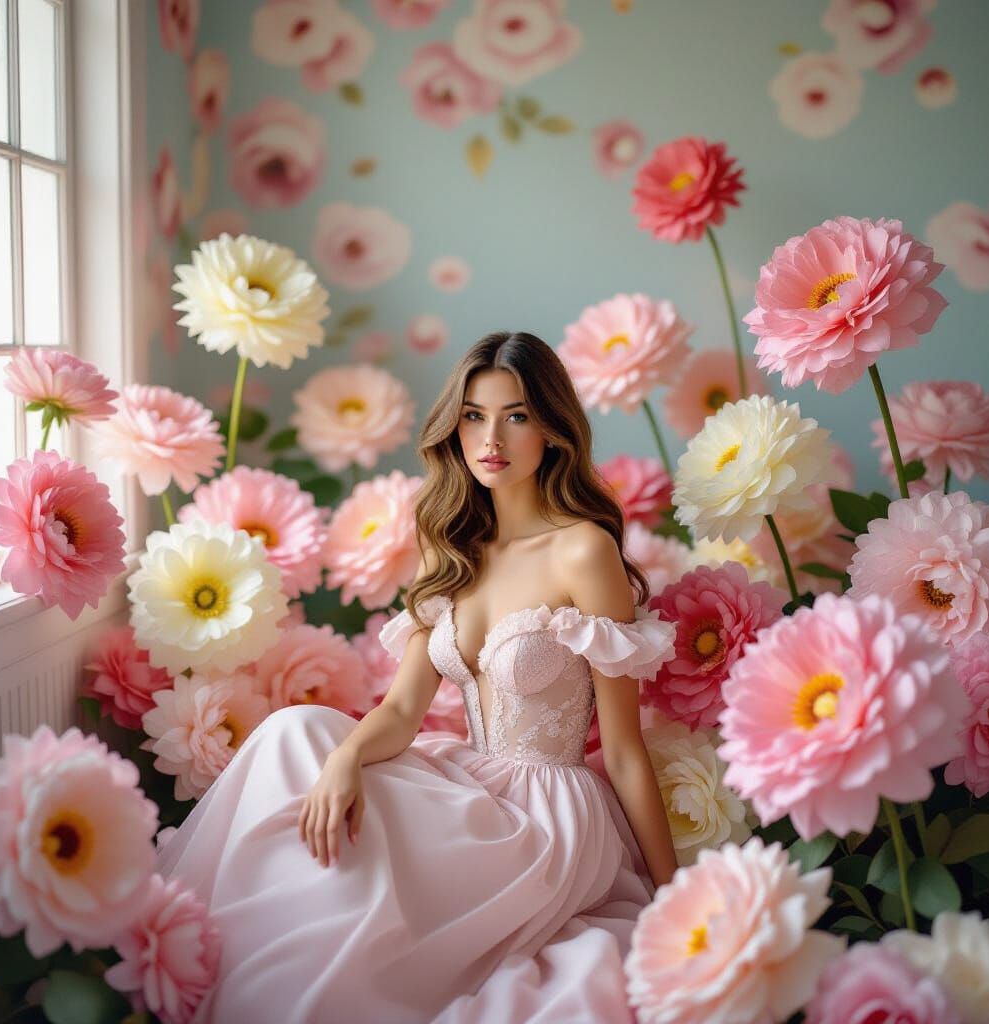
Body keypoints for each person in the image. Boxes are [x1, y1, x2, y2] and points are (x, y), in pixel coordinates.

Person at [156, 330, 679, 1023]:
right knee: (296, 734)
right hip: (472, 782)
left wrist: (674, 894)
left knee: (366, 858)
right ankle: (238, 971)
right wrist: (346, 759)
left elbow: (623, 749)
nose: (491, 438)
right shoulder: (452, 549)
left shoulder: (582, 552)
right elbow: (403, 710)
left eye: (517, 416)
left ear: (552, 430)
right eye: (474, 416)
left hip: (546, 819)